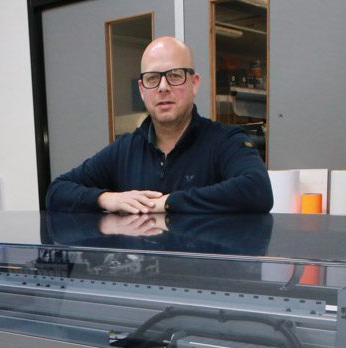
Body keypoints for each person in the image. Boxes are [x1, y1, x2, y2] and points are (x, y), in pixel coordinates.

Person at [46, 36, 272, 215]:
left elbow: (257, 190)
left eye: (175, 75)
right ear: (142, 90)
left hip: (203, 261)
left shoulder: (225, 141)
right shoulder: (125, 150)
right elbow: (57, 191)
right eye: (153, 78)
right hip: (145, 262)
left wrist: (168, 202)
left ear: (194, 84)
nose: (163, 87)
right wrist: (107, 198)